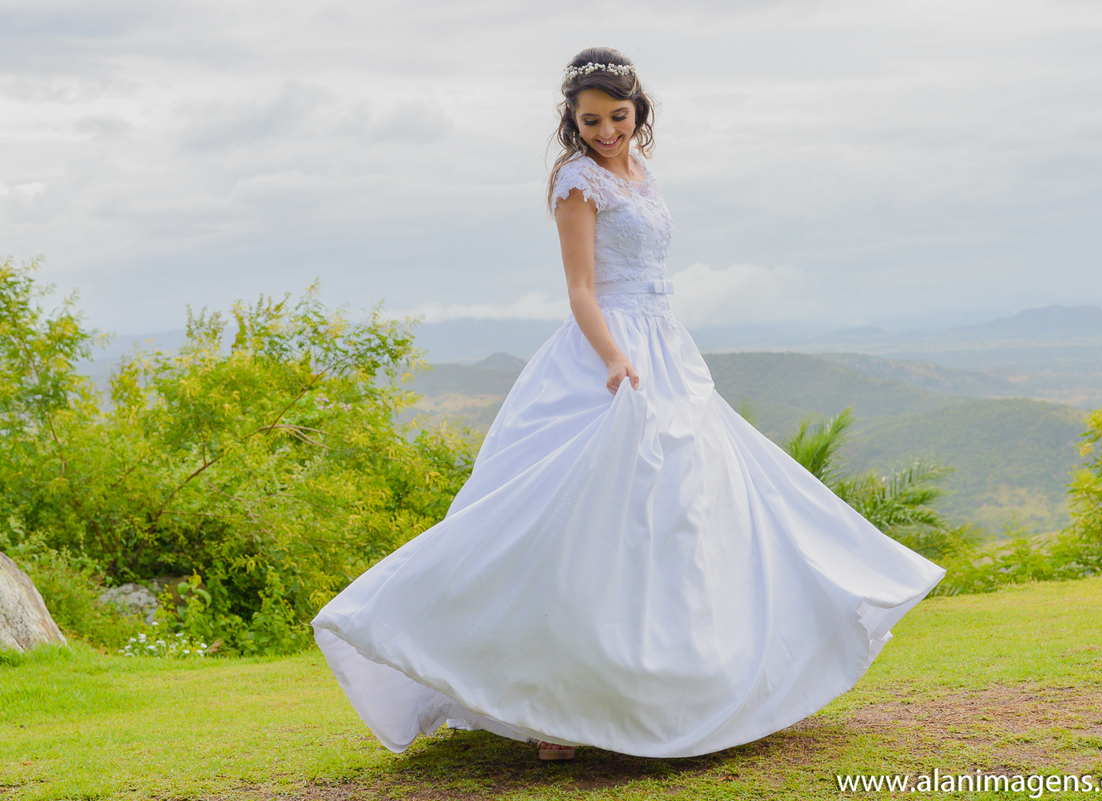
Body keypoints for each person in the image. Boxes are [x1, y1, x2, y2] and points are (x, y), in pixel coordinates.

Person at [310, 46, 946, 763]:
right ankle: (554, 710)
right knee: (580, 523)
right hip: (607, 350)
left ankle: (683, 687)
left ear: (639, 112)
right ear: (571, 122)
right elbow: (581, 287)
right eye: (590, 120)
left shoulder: (642, 174)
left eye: (618, 116)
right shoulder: (576, 183)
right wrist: (614, 357)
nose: (605, 130)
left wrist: (651, 345)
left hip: (667, 345)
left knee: (681, 519)